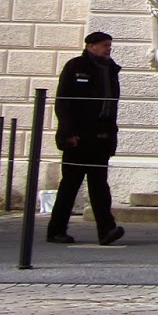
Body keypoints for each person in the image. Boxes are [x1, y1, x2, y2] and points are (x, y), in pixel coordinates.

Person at [46, 31, 124, 246]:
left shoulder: (110, 69)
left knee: (99, 186)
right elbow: (63, 103)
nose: (108, 49)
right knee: (70, 185)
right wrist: (67, 133)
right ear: (91, 46)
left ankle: (106, 230)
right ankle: (56, 230)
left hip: (100, 136)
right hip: (78, 137)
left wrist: (111, 136)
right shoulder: (75, 67)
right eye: (105, 45)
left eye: (109, 45)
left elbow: (111, 107)